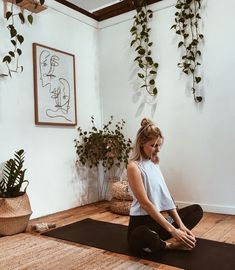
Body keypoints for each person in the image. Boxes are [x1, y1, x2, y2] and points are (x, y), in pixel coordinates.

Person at [127, 118, 203, 255]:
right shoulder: (133, 167)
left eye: (159, 145)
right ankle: (169, 246)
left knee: (196, 210)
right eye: (154, 145)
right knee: (141, 235)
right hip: (141, 224)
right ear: (141, 143)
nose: (158, 150)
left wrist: (181, 225)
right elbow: (145, 204)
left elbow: (167, 198)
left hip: (157, 222)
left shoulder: (154, 164)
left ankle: (159, 240)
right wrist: (173, 230)